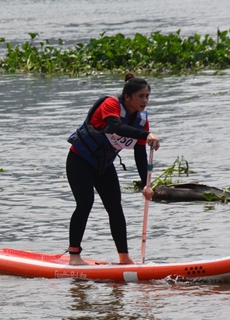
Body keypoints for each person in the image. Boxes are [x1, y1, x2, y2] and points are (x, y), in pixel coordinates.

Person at [66, 73, 161, 265]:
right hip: (80, 161)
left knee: (115, 208)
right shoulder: (110, 104)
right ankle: (74, 256)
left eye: (147, 96)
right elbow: (116, 126)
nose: (145, 101)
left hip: (103, 166)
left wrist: (146, 184)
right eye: (140, 96)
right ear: (127, 97)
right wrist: (146, 134)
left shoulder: (141, 120)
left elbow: (139, 153)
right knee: (85, 203)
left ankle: (124, 257)